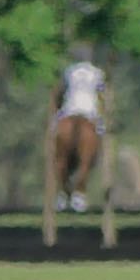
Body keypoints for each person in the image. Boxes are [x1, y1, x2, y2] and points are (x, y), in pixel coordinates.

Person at [53, 50, 109, 212]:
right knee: (97, 142)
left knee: (58, 153)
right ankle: (79, 195)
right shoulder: (97, 73)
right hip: (89, 112)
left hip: (68, 111)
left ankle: (62, 196)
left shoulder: (69, 71)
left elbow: (60, 92)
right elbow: (102, 95)